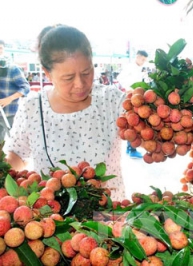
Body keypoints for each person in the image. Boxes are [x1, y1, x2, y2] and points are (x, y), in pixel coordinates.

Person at [3, 25, 127, 201]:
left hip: (108, 218)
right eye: (68, 78)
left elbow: (146, 131)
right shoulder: (32, 107)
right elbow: (17, 154)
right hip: (53, 221)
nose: (80, 84)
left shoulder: (112, 100)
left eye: (86, 72)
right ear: (47, 73)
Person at [117, 50, 149, 159]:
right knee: (131, 123)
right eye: (142, 59)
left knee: (135, 122)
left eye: (145, 60)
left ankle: (131, 148)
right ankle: (131, 149)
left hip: (137, 99)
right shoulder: (130, 67)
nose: (143, 62)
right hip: (130, 97)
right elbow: (119, 78)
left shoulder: (139, 69)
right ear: (138, 56)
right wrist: (129, 89)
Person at [0, 49, 30, 141]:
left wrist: (9, 99)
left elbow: (25, 88)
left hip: (9, 114)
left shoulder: (12, 69)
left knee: (13, 143)